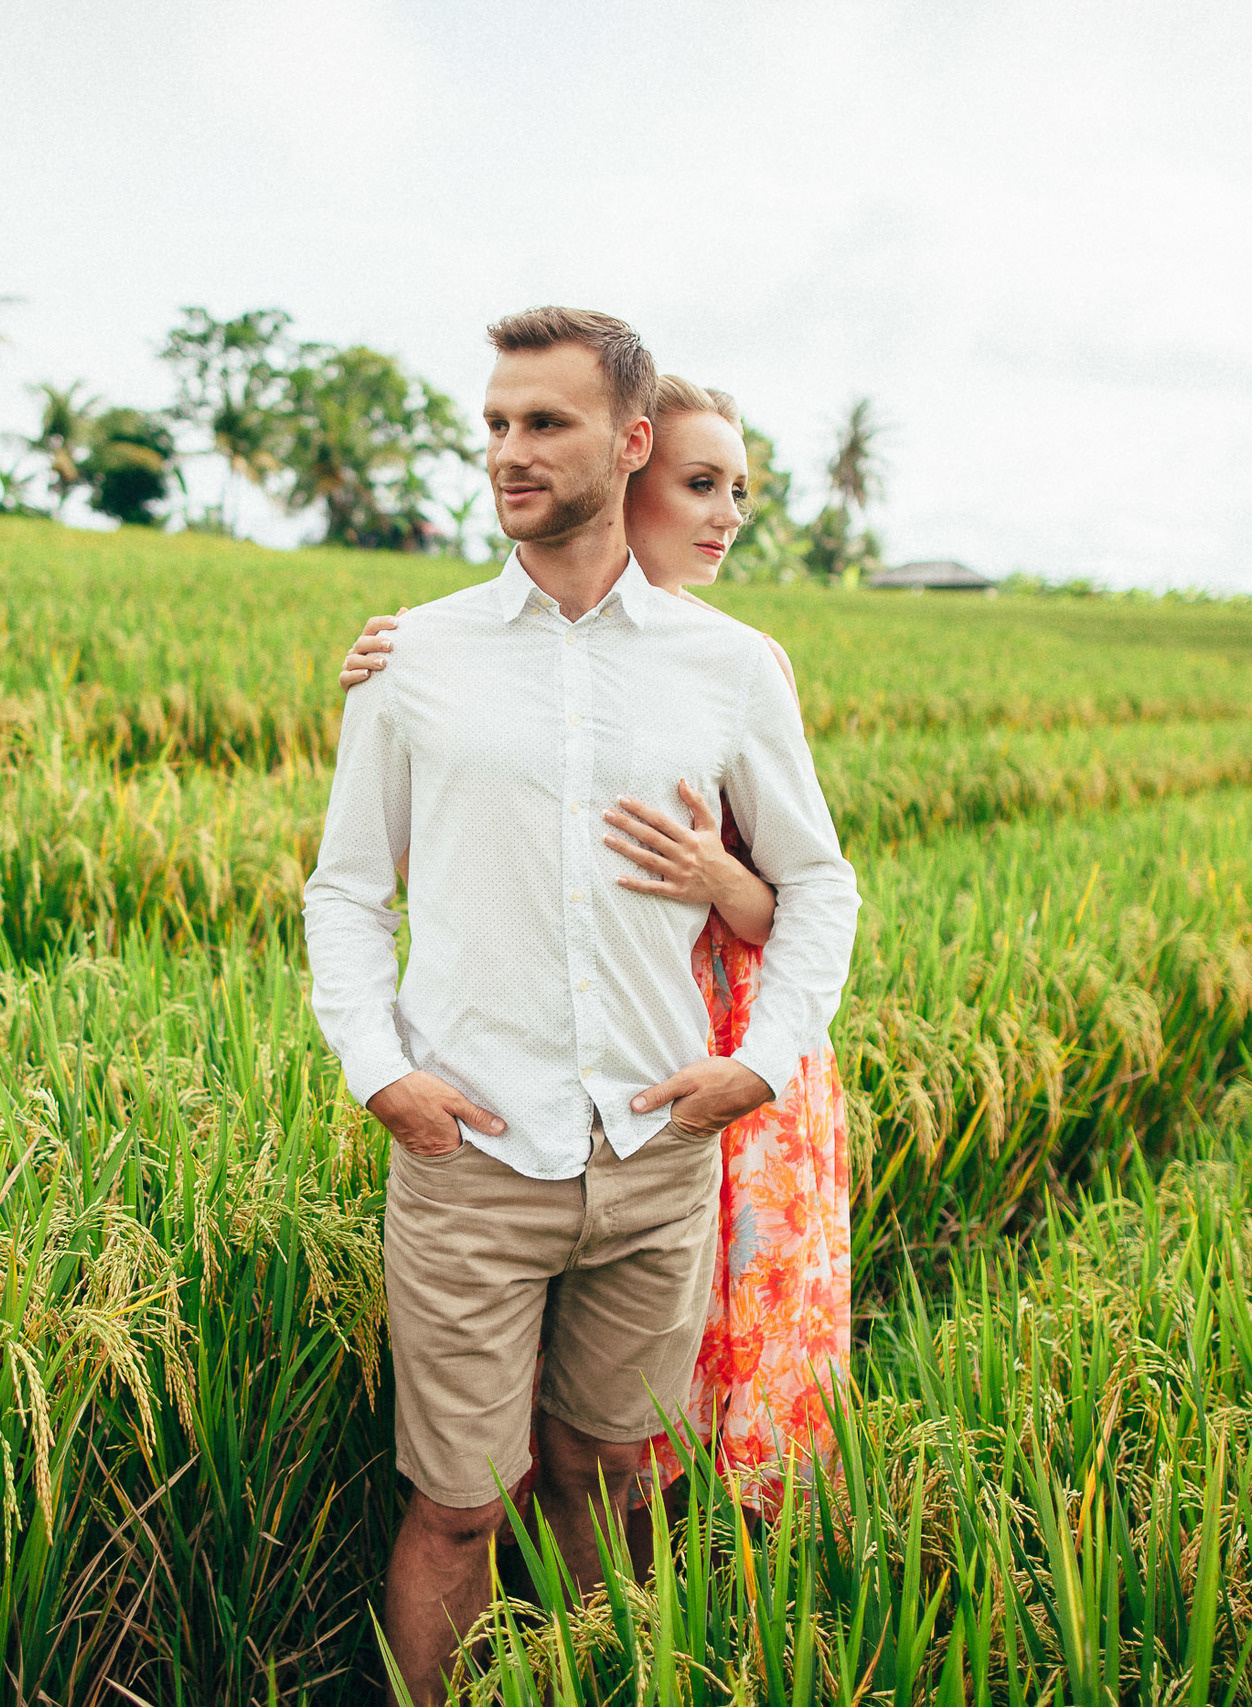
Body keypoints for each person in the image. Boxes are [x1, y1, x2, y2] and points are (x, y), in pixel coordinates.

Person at [302, 308, 859, 1706]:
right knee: (460, 1506)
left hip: (658, 1156)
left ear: (628, 444)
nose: (509, 450)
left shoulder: (728, 665)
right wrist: (379, 1072)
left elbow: (818, 884)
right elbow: (347, 890)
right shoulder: (414, 658)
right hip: (473, 1156)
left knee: (610, 1479)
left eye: (544, 423)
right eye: (496, 423)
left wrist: (761, 1064)